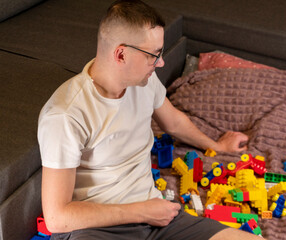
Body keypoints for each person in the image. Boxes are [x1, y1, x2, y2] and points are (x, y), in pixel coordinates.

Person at [38, 1, 261, 239]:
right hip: (96, 228)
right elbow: (56, 218)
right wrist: (140, 212)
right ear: (121, 54)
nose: (161, 63)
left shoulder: (142, 81)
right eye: (153, 55)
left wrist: (217, 146)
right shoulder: (65, 115)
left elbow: (173, 122)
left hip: (155, 217)